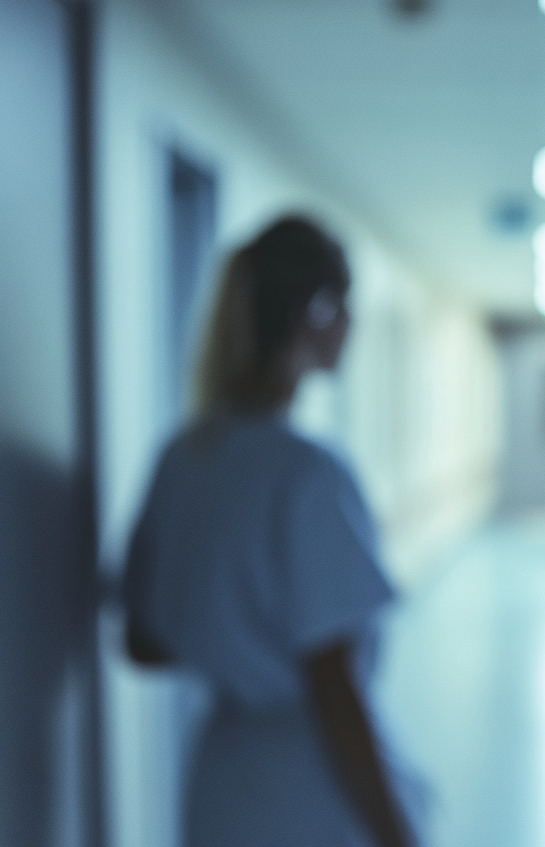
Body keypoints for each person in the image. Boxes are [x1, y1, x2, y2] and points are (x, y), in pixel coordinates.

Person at [123, 216, 413, 847]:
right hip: (306, 785)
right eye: (345, 306)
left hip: (220, 776)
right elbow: (334, 689)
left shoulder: (185, 455)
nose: (352, 326)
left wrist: (234, 647)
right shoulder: (309, 473)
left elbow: (142, 639)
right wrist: (398, 834)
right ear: (316, 311)